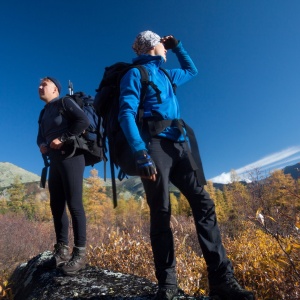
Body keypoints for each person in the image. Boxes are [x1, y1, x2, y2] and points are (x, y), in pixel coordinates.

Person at [118, 31, 254, 300]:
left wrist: (178, 46)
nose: (165, 50)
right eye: (162, 45)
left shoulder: (168, 75)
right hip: (154, 147)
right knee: (161, 211)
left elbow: (192, 69)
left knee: (204, 204)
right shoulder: (136, 74)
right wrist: (140, 152)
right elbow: (126, 113)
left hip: (180, 147)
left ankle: (221, 281)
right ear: (151, 45)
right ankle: (167, 285)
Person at [37, 77, 89, 276]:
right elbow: (39, 136)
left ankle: (80, 254)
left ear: (56, 90)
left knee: (74, 204)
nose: (40, 87)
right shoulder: (43, 112)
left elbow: (83, 121)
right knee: (56, 206)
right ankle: (61, 252)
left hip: (72, 156)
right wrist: (42, 144)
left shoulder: (65, 102)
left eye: (44, 85)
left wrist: (63, 138)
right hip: (55, 161)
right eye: (39, 85)